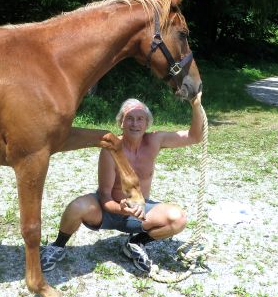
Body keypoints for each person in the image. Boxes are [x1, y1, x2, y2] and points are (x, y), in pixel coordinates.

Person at [41, 93, 204, 274]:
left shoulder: (155, 140)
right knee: (76, 206)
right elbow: (104, 196)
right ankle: (57, 246)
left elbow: (195, 136)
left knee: (178, 219)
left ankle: (136, 243)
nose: (135, 124)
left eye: (140, 119)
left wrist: (196, 106)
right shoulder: (111, 148)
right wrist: (122, 209)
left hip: (140, 212)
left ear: (147, 123)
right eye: (130, 119)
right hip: (108, 211)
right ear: (121, 122)